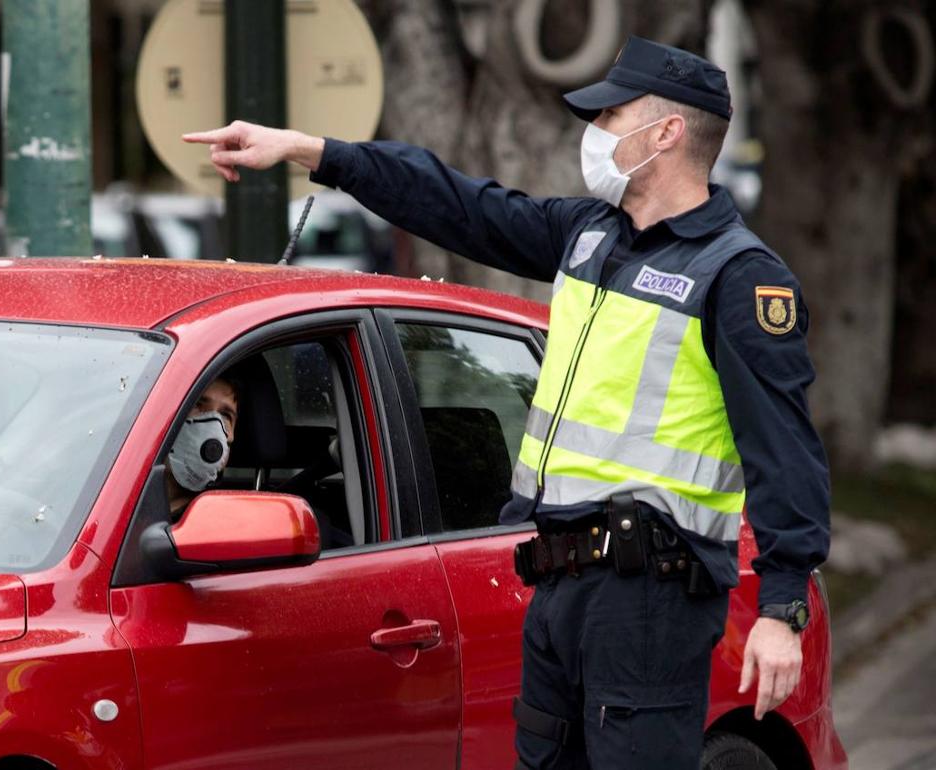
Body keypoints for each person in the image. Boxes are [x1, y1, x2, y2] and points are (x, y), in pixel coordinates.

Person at [184, 35, 830, 769]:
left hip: (651, 603)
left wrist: (783, 610)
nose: (594, 135)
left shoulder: (739, 278)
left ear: (666, 133)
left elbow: (786, 454)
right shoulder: (591, 235)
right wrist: (312, 151)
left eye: (610, 118)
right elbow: (456, 203)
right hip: (556, 587)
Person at [166, 375, 240, 519]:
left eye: (225, 415)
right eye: (197, 405)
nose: (213, 427)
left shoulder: (219, 523)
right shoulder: (115, 495)